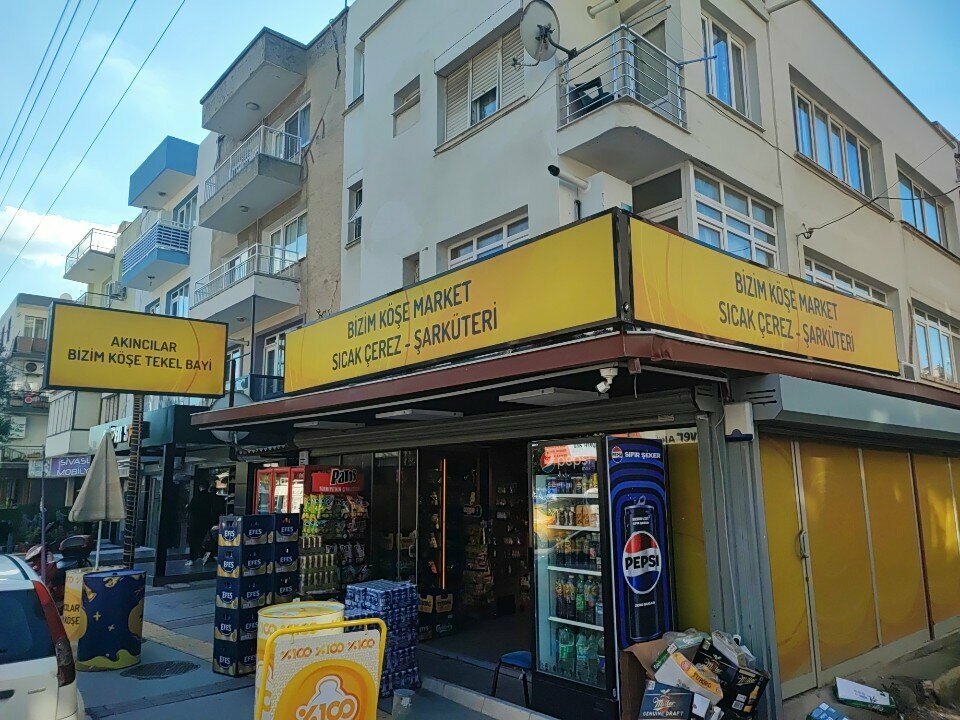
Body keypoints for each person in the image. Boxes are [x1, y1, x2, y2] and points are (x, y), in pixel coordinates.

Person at [185, 482, 213, 566]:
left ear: (200, 487)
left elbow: (191, 508)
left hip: (195, 522)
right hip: (205, 522)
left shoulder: (197, 496)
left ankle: (192, 558)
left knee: (192, 540)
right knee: (200, 539)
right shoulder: (210, 497)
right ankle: (205, 554)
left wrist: (187, 507)